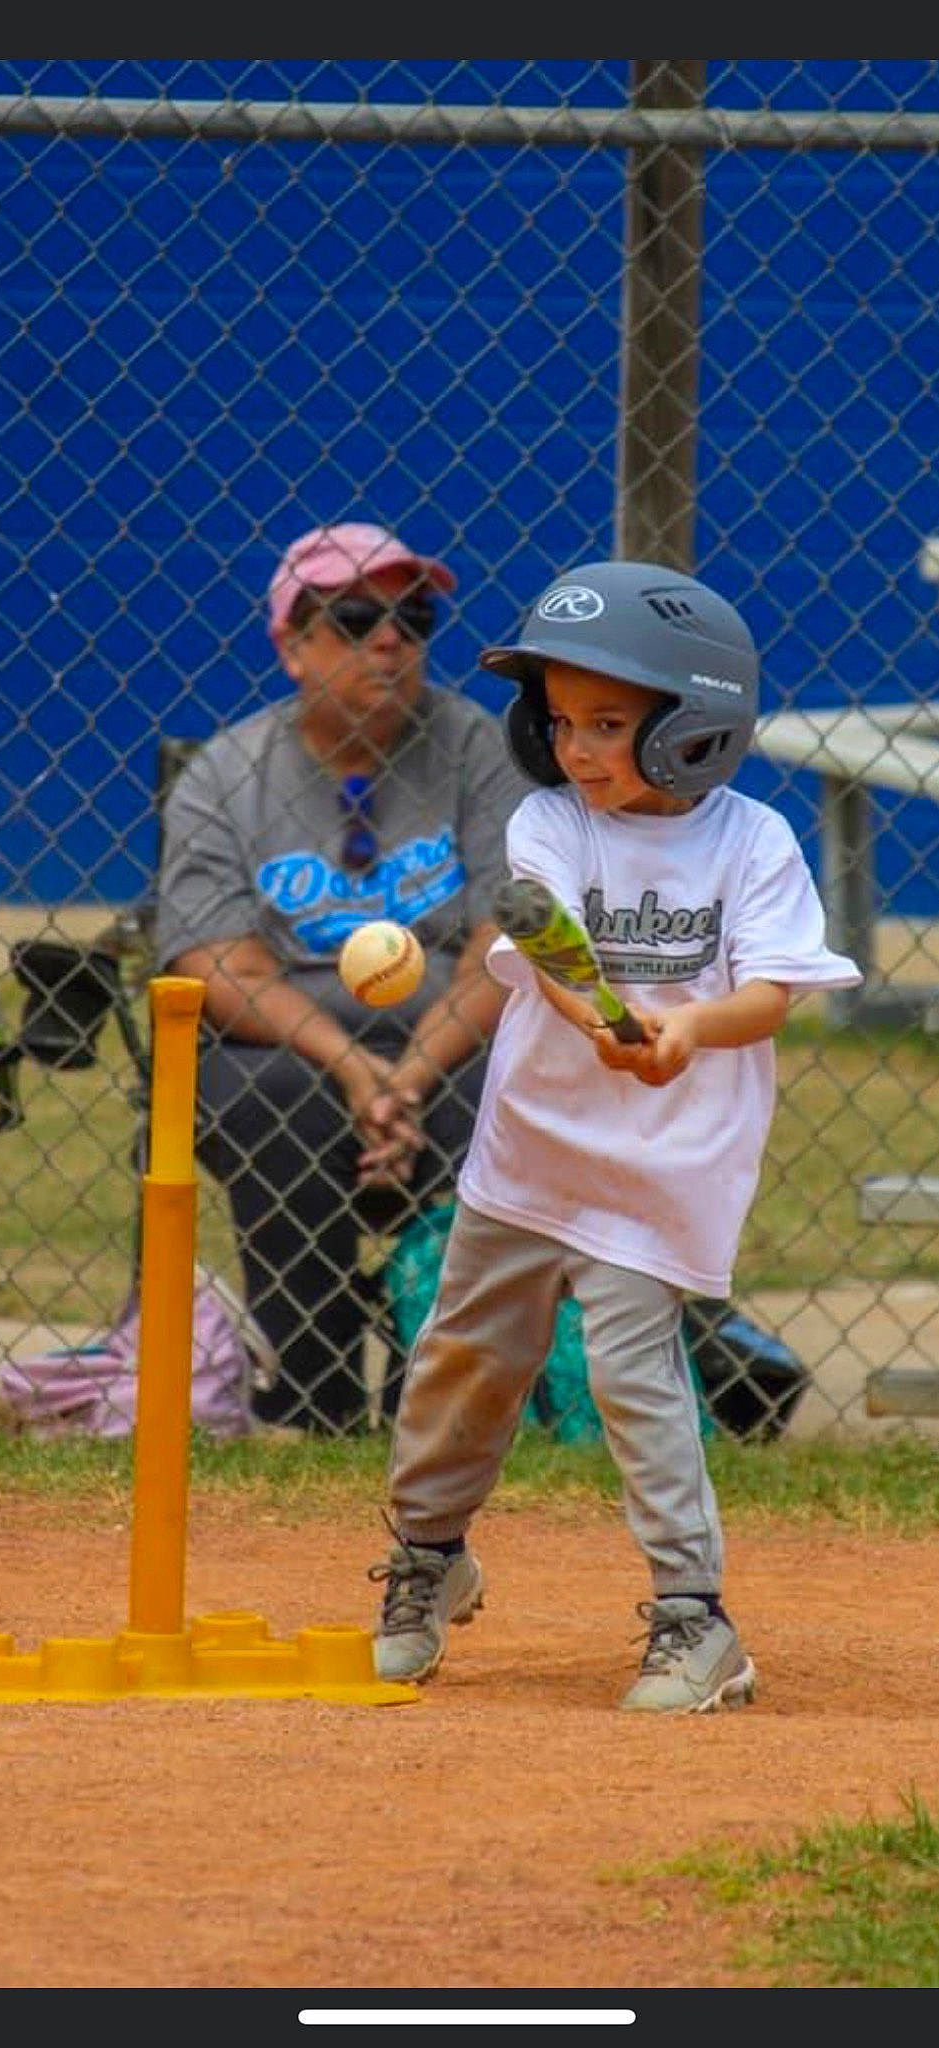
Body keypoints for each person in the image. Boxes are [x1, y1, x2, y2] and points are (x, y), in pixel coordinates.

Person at [367, 558, 863, 1712]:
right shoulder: (549, 821)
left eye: (611, 721)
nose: (579, 746)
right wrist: (606, 1017)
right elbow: (547, 937)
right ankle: (430, 1557)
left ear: (695, 728)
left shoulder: (752, 845)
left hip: (666, 1168)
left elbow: (776, 989)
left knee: (638, 1374)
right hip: (532, 1155)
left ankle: (696, 1620)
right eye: (562, 719)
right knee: (467, 1360)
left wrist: (686, 1026)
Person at [154, 520, 530, 1433]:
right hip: (290, 1045)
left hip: (447, 1032)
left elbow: (507, 940)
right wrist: (352, 1068)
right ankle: (314, 1400)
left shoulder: (476, 747)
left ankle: (438, 1404)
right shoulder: (228, 774)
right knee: (273, 1099)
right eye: (356, 618)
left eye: (414, 616)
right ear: (291, 644)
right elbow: (216, 965)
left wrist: (408, 1074)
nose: (391, 641)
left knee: (496, 1089)